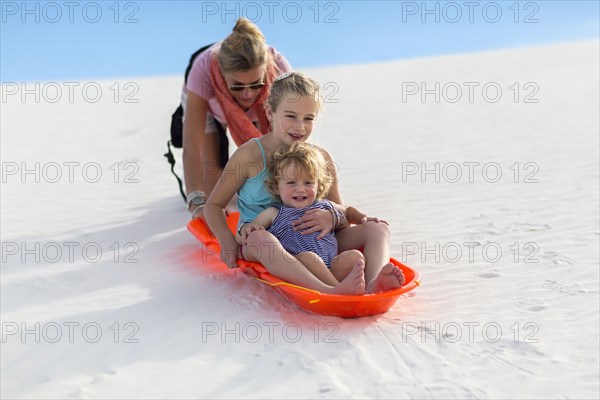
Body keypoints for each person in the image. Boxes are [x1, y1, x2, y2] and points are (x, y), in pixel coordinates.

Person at [204, 72, 405, 295]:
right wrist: (227, 240)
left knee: (379, 229)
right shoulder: (249, 155)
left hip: (315, 240)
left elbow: (340, 212)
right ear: (270, 112)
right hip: (267, 244)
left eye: (308, 118)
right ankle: (328, 291)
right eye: (291, 116)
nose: (300, 127)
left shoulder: (320, 158)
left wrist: (331, 217)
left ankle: (373, 283)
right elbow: (213, 206)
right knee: (262, 239)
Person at [183, 17, 291, 219]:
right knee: (213, 187)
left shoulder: (279, 68)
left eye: (255, 84)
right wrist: (197, 203)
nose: (248, 94)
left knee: (274, 165)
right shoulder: (203, 71)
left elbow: (294, 134)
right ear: (223, 74)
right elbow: (192, 147)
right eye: (238, 86)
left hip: (263, 109)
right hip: (211, 108)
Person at [242, 141, 389, 288]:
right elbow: (251, 231)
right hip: (302, 266)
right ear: (276, 186)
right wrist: (248, 228)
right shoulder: (274, 213)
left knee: (356, 257)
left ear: (318, 184)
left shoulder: (324, 205)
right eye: (292, 183)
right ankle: (335, 289)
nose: (300, 189)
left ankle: (372, 284)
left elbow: (347, 210)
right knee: (310, 258)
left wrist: (362, 218)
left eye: (308, 183)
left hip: (332, 264)